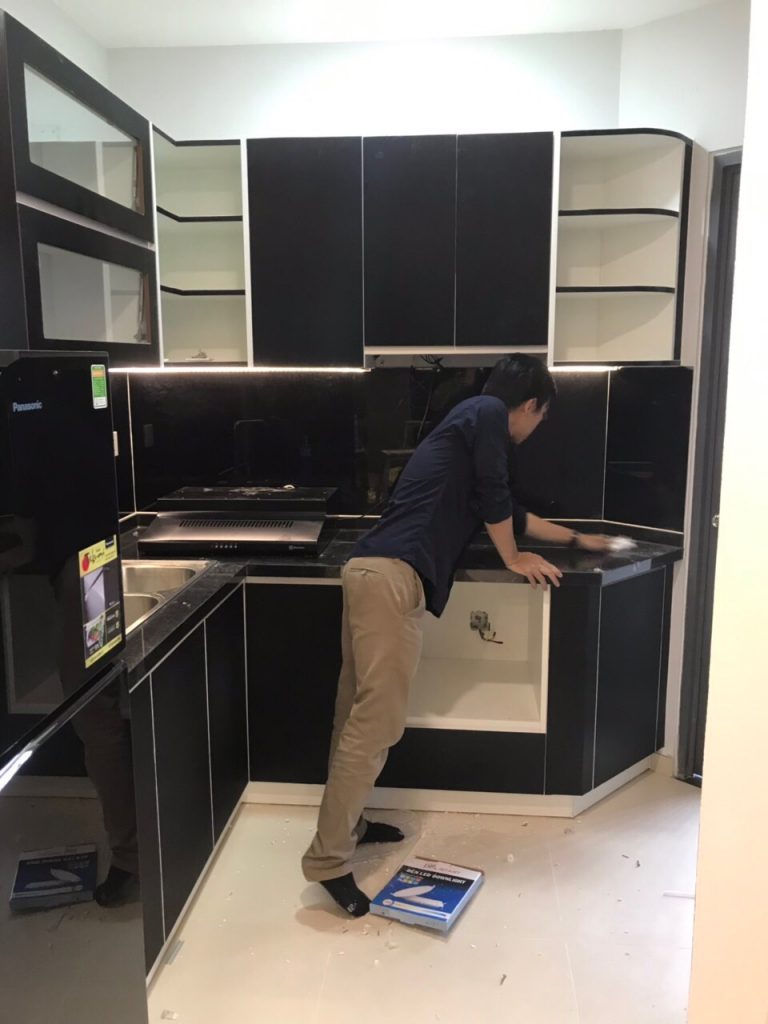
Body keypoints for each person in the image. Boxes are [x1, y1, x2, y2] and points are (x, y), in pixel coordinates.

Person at [301, 354, 612, 916]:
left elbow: (509, 511)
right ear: (530, 405)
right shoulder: (486, 411)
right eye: (539, 418)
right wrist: (513, 559)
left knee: (354, 717)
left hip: (370, 572)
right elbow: (497, 496)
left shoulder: (464, 440)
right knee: (376, 724)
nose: (534, 429)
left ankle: (351, 825)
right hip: (390, 579)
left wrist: (578, 539)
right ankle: (328, 862)